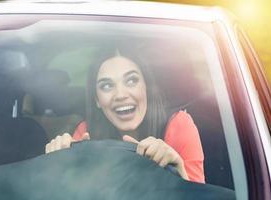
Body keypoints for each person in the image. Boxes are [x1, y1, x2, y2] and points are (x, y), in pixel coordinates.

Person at [45, 47, 205, 183]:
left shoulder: (178, 126)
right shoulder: (86, 132)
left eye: (131, 81)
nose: (120, 94)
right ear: (97, 100)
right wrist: (57, 167)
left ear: (146, 87)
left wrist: (181, 176)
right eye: (107, 86)